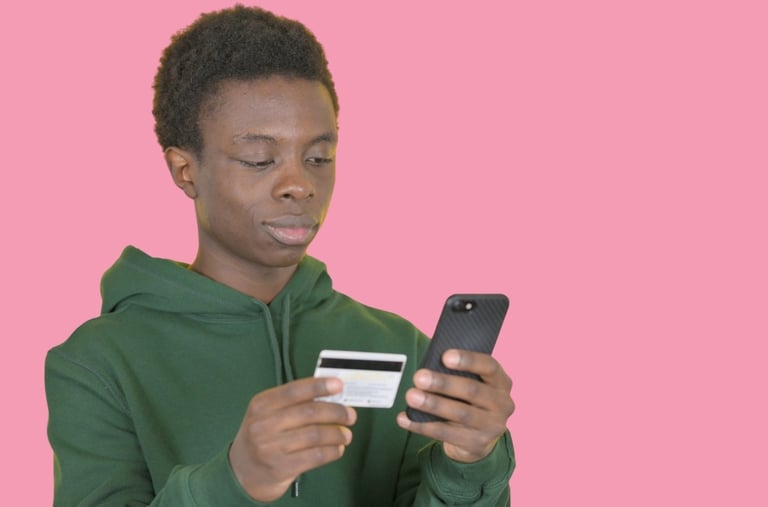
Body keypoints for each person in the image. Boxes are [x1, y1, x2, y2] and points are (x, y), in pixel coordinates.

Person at [45, 5, 516, 505]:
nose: (299, 185)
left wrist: (470, 461)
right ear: (186, 171)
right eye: (259, 160)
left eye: (319, 158)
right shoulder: (97, 363)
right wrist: (236, 479)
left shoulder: (402, 346)